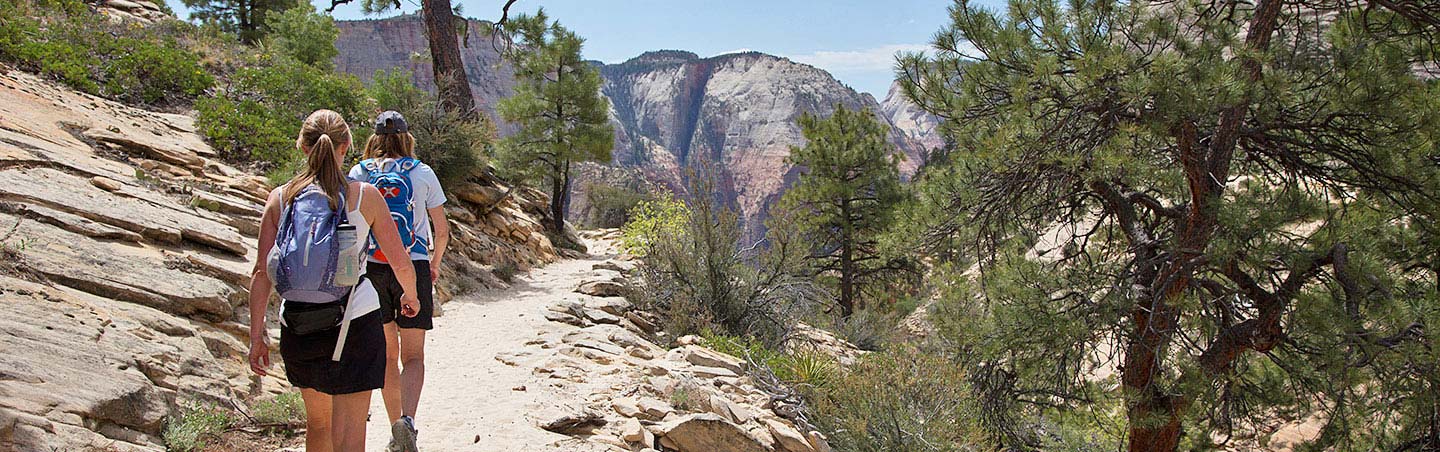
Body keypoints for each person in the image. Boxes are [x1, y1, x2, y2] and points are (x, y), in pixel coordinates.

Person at [247, 109, 421, 452]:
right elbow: (400, 260)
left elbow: (259, 273)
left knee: (318, 425)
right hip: (355, 322)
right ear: (346, 147)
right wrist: (410, 297)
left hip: (300, 324)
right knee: (350, 431)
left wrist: (256, 337)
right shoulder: (364, 196)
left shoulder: (279, 198)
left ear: (302, 146)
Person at [349, 111, 450, 452]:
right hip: (413, 265)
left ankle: (395, 428)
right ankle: (407, 421)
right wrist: (433, 264)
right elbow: (442, 228)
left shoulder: (359, 173)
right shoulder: (422, 172)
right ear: (407, 137)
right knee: (415, 356)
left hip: (372, 269)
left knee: (388, 355)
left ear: (374, 138)